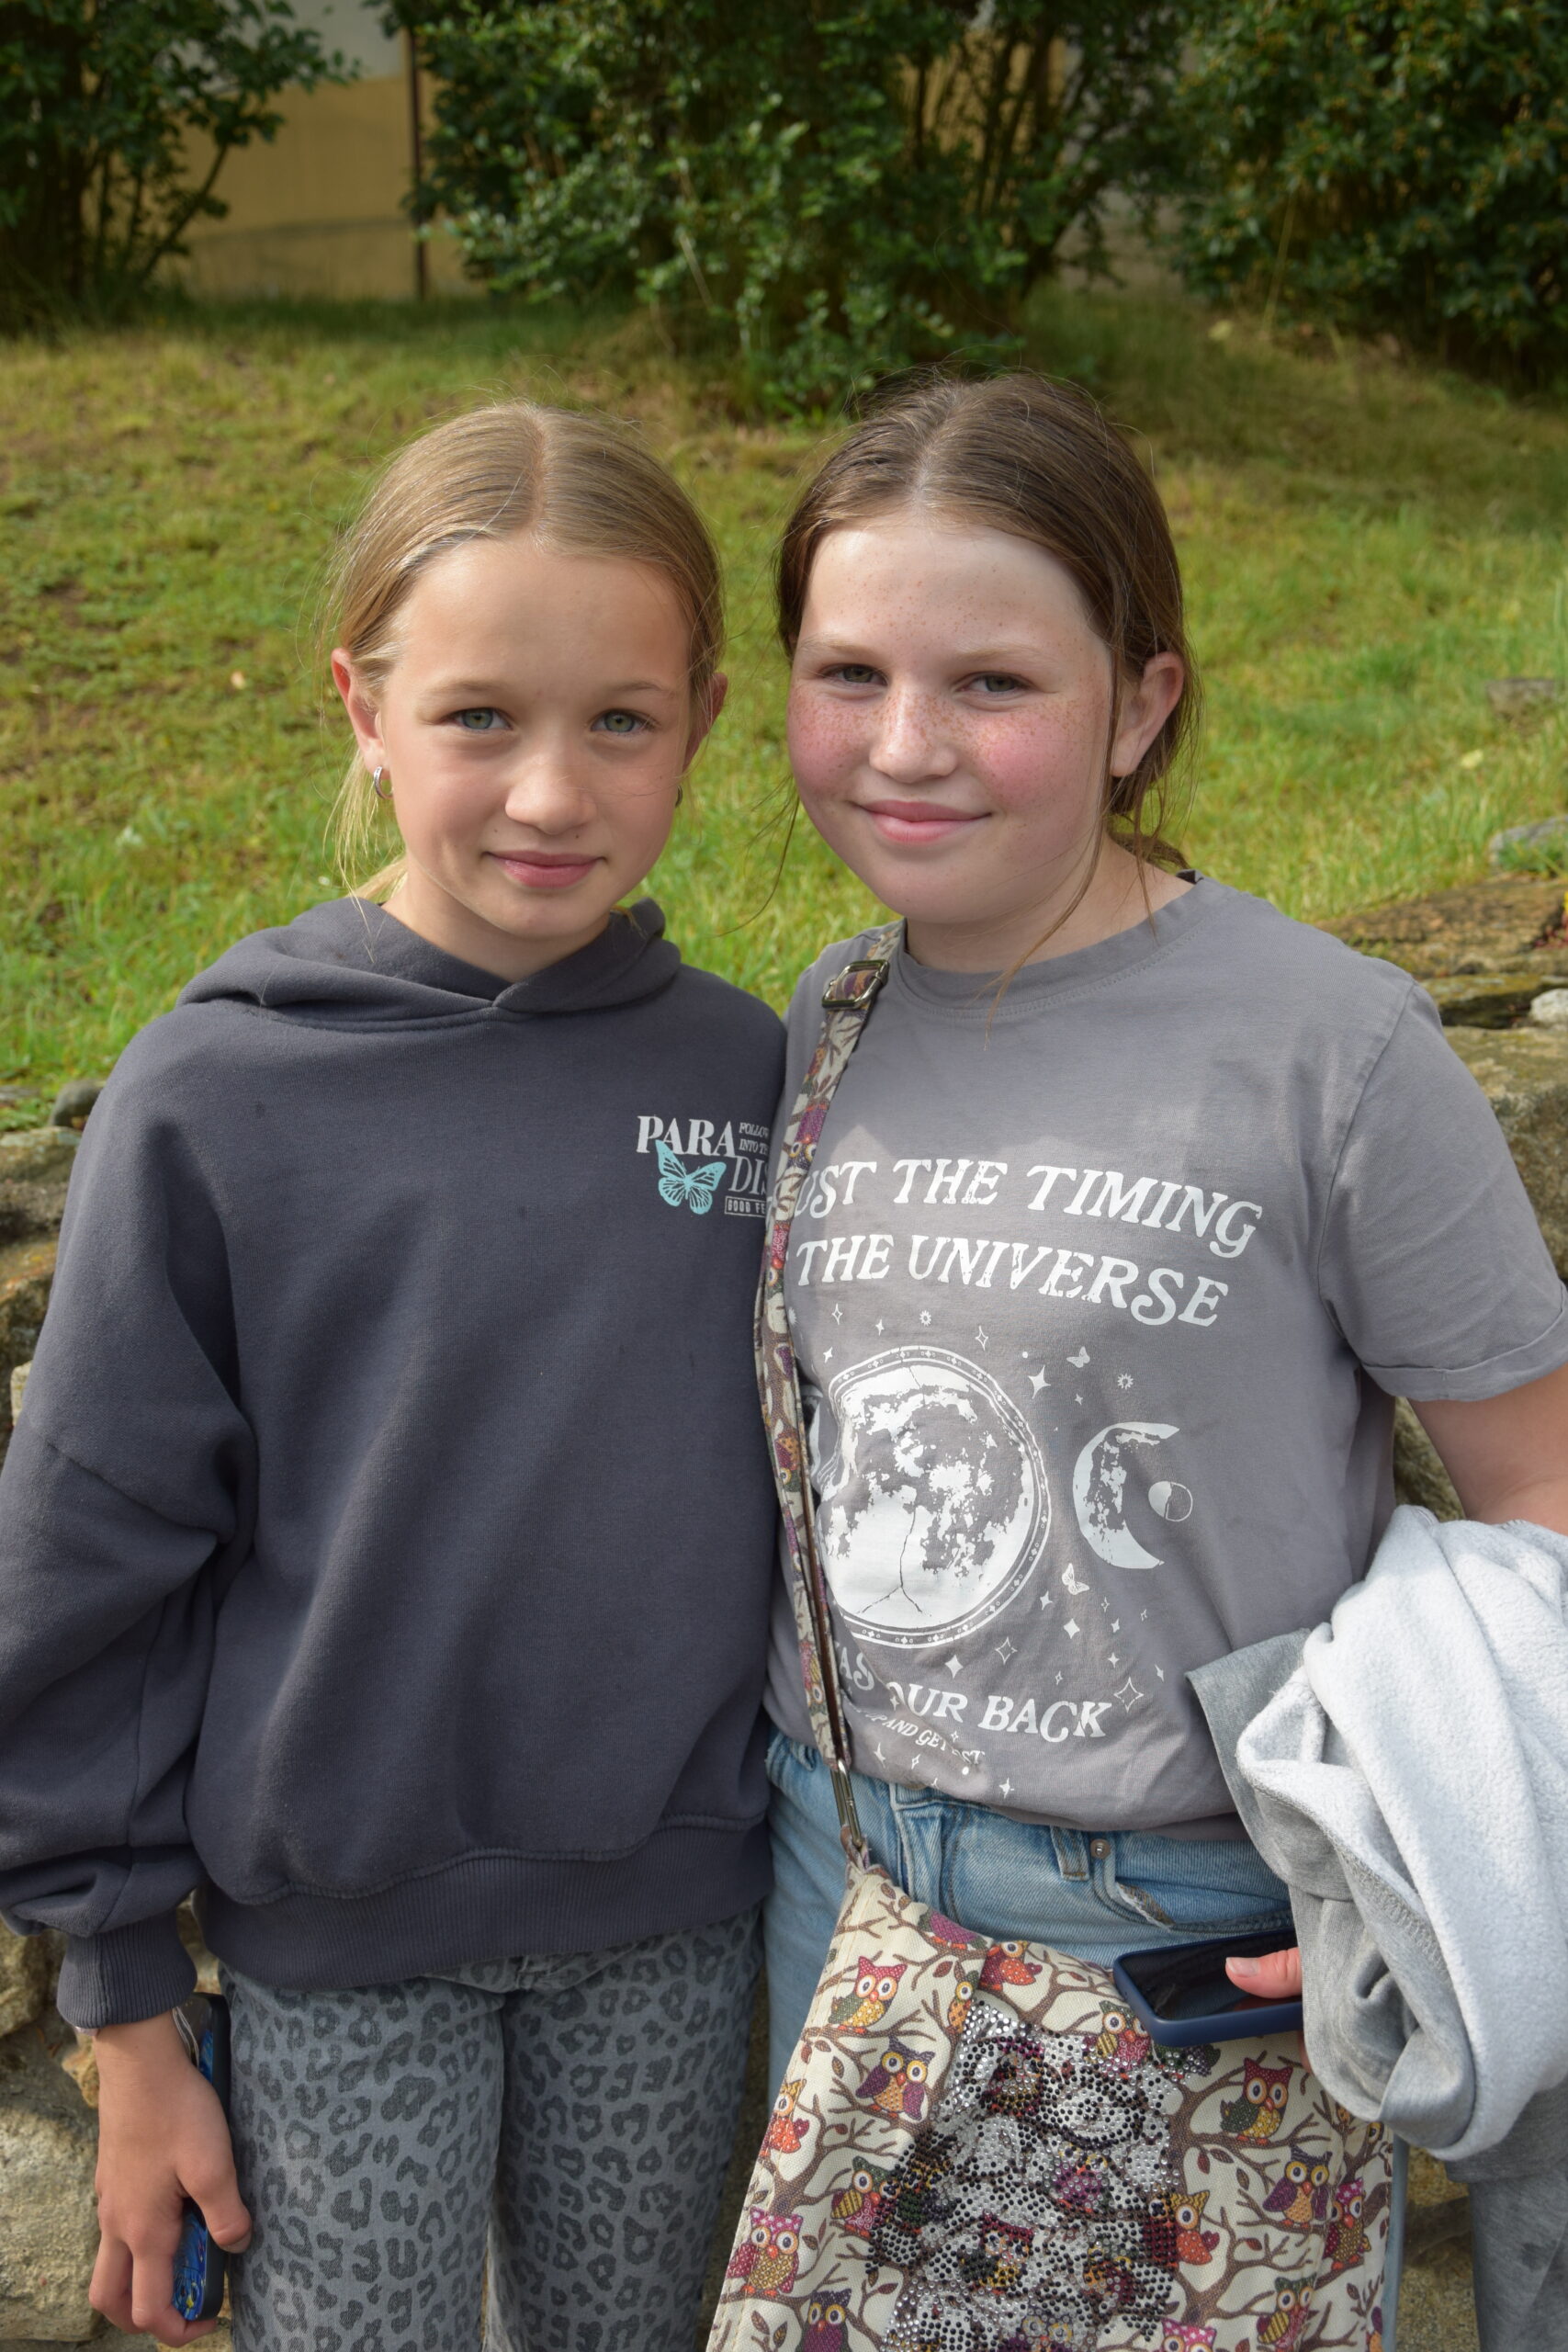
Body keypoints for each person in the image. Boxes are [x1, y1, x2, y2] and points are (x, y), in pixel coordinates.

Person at [758, 372, 1568, 2324]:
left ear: (1138, 703)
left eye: (993, 683)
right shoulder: (830, 1014)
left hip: (1196, 1936)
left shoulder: (1332, 1048)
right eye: (848, 672)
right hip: (840, 1887)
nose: (904, 746)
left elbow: (1541, 1493)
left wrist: (1422, 1866)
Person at [0, 401, 784, 2352]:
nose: (550, 790)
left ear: (702, 716)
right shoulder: (217, 1091)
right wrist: (126, 2016)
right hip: (337, 1963)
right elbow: (95, 1559)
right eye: (476, 718)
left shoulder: (750, 1074)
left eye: (620, 720)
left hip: (676, 1937)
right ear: (360, 706)